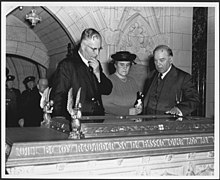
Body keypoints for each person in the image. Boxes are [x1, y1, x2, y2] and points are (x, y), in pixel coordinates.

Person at [50, 28, 113, 121]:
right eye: (93, 49)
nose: (97, 53)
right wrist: (61, 122)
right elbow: (58, 97)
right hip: (76, 121)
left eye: (99, 49)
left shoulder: (96, 64)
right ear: (83, 46)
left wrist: (98, 73)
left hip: (97, 120)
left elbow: (107, 89)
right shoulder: (67, 65)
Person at [142, 45, 199, 117]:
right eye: (155, 60)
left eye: (162, 60)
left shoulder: (183, 78)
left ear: (170, 60)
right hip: (149, 122)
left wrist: (179, 109)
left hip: (170, 123)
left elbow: (194, 100)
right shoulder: (151, 76)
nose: (158, 64)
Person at [102, 51, 142, 118]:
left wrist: (139, 106)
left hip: (130, 121)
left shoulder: (132, 81)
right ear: (115, 65)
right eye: (122, 64)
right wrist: (127, 111)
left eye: (128, 65)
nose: (125, 68)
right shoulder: (108, 81)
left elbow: (137, 99)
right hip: (114, 121)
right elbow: (105, 105)